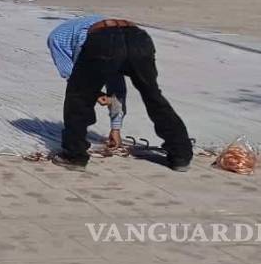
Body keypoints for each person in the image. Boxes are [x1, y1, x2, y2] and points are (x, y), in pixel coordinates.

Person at [47, 15, 192, 172]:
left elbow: (76, 79)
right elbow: (116, 83)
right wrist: (115, 129)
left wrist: (97, 96)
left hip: (105, 40)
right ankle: (181, 156)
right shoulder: (90, 29)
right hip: (138, 38)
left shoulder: (57, 39)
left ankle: (74, 156)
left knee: (78, 97)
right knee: (153, 96)